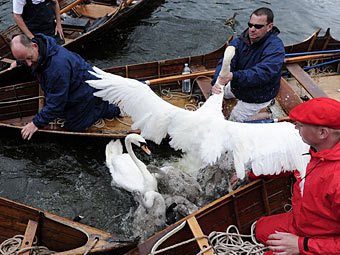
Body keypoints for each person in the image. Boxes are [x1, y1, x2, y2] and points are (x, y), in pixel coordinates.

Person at [255, 97, 340, 255]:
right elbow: (298, 164)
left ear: (322, 133)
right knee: (260, 228)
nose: (295, 128)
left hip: (322, 238)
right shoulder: (319, 148)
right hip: (305, 221)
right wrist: (252, 174)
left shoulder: (337, 179)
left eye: (300, 125)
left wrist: (302, 246)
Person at [9, 33, 120, 140]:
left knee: (73, 127)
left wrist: (35, 123)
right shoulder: (41, 47)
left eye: (29, 58)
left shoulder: (57, 68)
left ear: (34, 46)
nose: (28, 64)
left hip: (86, 91)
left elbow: (56, 103)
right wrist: (18, 62)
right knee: (60, 111)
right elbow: (26, 56)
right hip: (73, 85)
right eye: (24, 60)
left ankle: (108, 107)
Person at [211, 7, 285, 122]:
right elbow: (225, 62)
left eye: (258, 26)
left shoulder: (275, 47)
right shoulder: (239, 41)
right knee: (222, 92)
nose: (252, 29)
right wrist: (217, 81)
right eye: (250, 25)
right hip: (240, 85)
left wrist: (234, 76)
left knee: (234, 120)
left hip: (258, 94)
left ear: (269, 27)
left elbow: (263, 73)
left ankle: (267, 114)